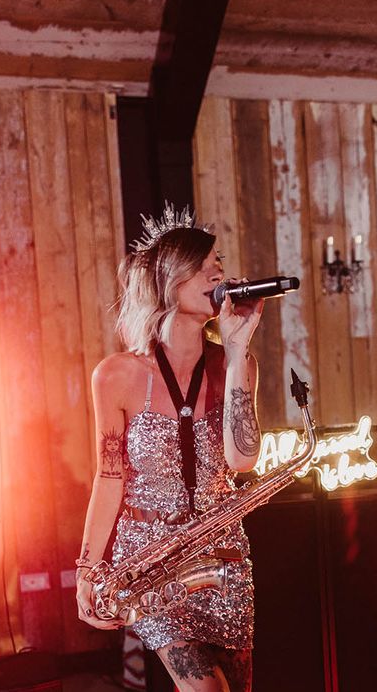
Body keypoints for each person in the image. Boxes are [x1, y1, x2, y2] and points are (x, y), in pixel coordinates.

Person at [75, 204, 263, 692]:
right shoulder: (116, 375)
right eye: (203, 267)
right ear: (167, 283)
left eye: (218, 264)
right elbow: (108, 477)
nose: (217, 273)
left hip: (223, 558)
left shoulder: (234, 365)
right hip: (153, 560)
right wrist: (89, 570)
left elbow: (243, 460)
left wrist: (239, 349)